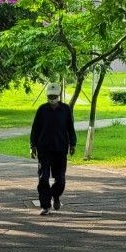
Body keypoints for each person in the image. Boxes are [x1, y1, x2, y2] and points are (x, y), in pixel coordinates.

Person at [30, 84, 76, 216]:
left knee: (60, 180)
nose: (52, 99)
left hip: (60, 149)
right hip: (44, 149)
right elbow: (35, 129)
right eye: (50, 96)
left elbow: (70, 128)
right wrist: (32, 146)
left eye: (54, 96)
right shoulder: (42, 110)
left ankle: (55, 195)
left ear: (59, 96)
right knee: (43, 178)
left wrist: (73, 144)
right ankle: (45, 206)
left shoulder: (65, 109)